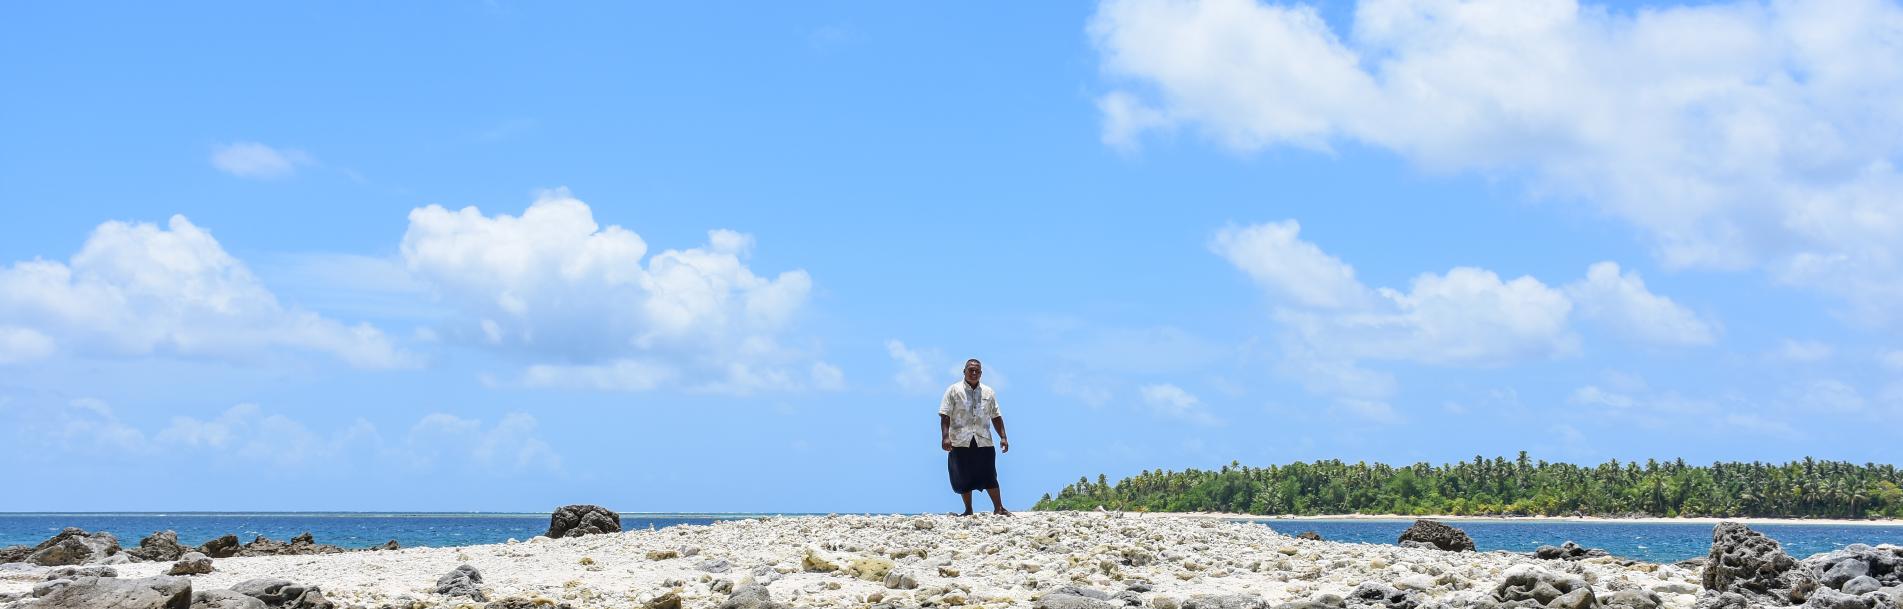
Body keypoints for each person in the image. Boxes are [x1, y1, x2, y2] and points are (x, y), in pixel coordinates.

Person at [940, 358, 1009, 515]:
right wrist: (945, 437)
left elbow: (996, 416)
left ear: (981, 373)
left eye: (977, 371)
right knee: (962, 475)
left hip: (983, 439)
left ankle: (999, 508)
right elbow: (945, 415)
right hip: (959, 440)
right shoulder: (953, 390)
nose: (974, 373)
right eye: (971, 370)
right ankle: (968, 509)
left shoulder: (988, 392)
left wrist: (1003, 437)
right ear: (964, 371)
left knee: (990, 474)